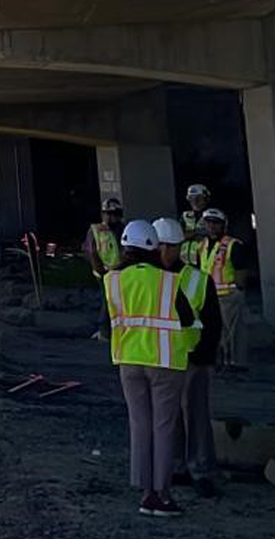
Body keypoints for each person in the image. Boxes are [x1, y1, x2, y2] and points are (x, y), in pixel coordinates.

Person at [104, 218, 194, 517]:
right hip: (165, 361)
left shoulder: (113, 280)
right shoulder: (167, 281)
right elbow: (187, 318)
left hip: (129, 361)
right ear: (154, 247)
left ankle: (144, 491)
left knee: (140, 425)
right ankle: (162, 495)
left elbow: (107, 324)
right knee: (164, 427)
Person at [162, 217, 221, 499]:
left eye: (168, 246)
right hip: (164, 358)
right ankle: (177, 467)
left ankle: (200, 469)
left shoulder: (198, 280)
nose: (163, 252)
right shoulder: (154, 279)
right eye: (159, 246)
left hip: (193, 359)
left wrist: (205, 355)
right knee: (170, 418)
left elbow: (212, 322)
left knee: (196, 417)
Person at [195, 208, 246, 369]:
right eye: (208, 223)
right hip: (209, 296)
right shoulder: (201, 245)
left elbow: (241, 272)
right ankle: (220, 361)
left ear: (223, 225)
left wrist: (237, 289)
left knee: (233, 332)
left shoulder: (233, 244)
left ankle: (234, 362)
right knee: (214, 332)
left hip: (228, 295)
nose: (211, 226)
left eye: (215, 223)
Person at [84, 197, 125, 340]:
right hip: (106, 273)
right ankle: (104, 331)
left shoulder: (123, 228)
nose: (110, 217)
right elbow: (91, 252)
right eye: (107, 213)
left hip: (122, 272)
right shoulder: (96, 230)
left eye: (113, 213)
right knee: (108, 302)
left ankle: (117, 329)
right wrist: (101, 271)